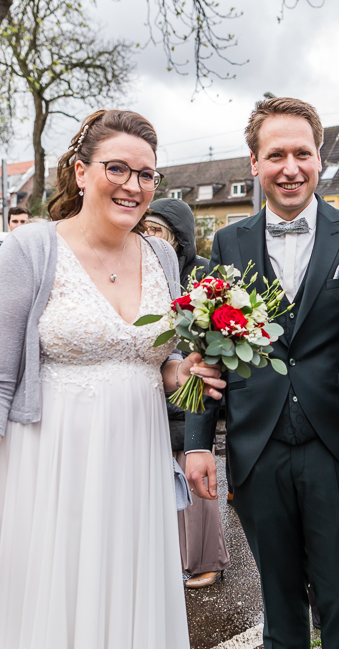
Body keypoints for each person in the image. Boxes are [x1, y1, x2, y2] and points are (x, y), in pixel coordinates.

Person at [0, 110, 218, 649]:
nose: (132, 185)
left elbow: (151, 362)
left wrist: (183, 374)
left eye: (146, 174)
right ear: (80, 171)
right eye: (116, 168)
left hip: (135, 467)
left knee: (124, 603)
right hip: (48, 467)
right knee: (48, 609)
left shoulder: (162, 255)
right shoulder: (32, 250)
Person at [185, 97, 339, 649]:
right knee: (278, 605)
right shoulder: (229, 242)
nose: (290, 167)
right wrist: (197, 443)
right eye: (275, 154)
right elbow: (210, 347)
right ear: (254, 163)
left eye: (302, 153)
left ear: (319, 158)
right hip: (258, 449)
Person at [145, 198, 231, 589]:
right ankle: (169, 558)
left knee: (196, 479)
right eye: (143, 228)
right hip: (152, 397)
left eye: (157, 229)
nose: (148, 235)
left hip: (190, 398)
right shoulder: (142, 271)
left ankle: (205, 561)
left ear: (178, 237)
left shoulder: (200, 277)